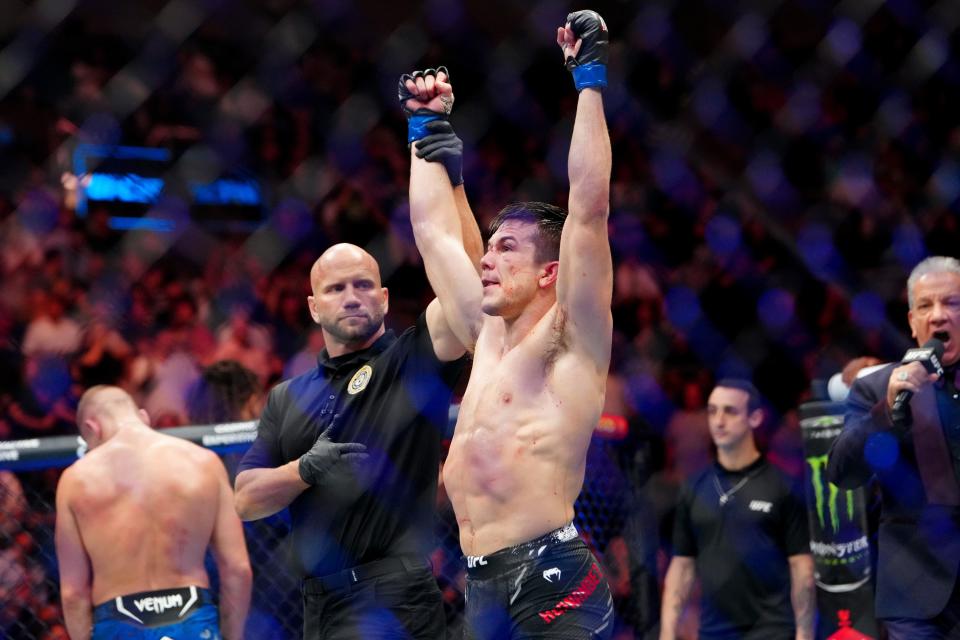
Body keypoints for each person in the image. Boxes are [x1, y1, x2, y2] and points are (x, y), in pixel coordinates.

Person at [401, 10, 616, 638]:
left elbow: (590, 205)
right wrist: (423, 125)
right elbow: (433, 233)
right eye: (489, 250)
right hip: (484, 585)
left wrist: (590, 81)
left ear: (549, 273)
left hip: (553, 577)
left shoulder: (568, 338)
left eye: (506, 252)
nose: (487, 262)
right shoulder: (487, 336)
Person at [233, 238, 479, 638]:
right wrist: (304, 469)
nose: (351, 298)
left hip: (395, 596)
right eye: (335, 288)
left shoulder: (411, 360)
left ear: (383, 298)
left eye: (363, 285)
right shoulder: (288, 397)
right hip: (317, 604)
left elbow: (464, 289)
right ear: (314, 306)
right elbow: (244, 499)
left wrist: (450, 184)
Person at [828, 255, 960, 639]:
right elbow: (841, 472)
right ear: (912, 322)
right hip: (915, 592)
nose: (938, 316)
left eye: (951, 302)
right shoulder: (876, 387)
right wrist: (885, 411)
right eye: (925, 305)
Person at [55, 385, 252, 640]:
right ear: (143, 417)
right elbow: (237, 569)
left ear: (93, 428)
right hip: (193, 617)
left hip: (118, 623)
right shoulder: (204, 462)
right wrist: (232, 637)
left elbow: (73, 594)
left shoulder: (75, 479)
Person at [659, 379, 814, 640]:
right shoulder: (694, 487)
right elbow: (682, 565)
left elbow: (802, 567)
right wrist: (667, 632)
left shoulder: (782, 486)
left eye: (730, 411)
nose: (719, 421)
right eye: (712, 411)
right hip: (713, 633)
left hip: (772, 632)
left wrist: (805, 635)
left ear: (755, 418)